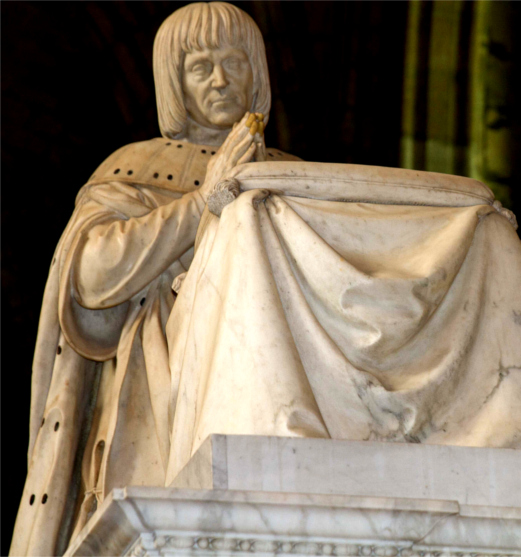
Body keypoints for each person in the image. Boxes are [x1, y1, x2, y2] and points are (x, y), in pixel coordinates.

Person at [11, 4, 298, 554]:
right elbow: (91, 277)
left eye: (234, 61)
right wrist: (202, 204)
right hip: (158, 391)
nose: (220, 79)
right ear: (175, 82)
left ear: (257, 72)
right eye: (201, 66)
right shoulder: (136, 167)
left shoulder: (293, 171)